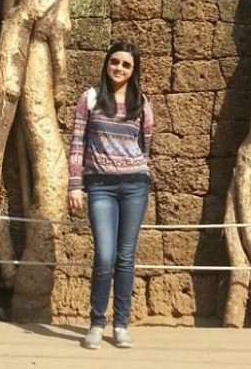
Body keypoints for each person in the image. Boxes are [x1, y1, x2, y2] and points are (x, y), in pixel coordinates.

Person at [67, 40, 154, 350]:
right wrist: (75, 185)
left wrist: (139, 172)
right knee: (104, 256)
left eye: (126, 64)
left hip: (134, 186)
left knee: (125, 257)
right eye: (115, 62)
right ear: (107, 63)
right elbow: (77, 142)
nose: (119, 68)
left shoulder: (142, 103)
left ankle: (120, 324)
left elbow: (145, 146)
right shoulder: (90, 99)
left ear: (133, 70)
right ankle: (95, 323)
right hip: (100, 186)